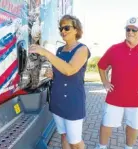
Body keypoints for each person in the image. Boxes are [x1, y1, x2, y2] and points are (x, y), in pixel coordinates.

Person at [29, 15, 91, 149]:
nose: (63, 31)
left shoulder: (82, 49)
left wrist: (45, 52)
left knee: (75, 141)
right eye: (61, 28)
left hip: (73, 102)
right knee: (63, 135)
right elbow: (60, 70)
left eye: (67, 28)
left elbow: (69, 70)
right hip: (57, 100)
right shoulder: (59, 50)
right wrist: (52, 74)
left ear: (76, 30)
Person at [95, 17, 138, 149]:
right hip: (115, 97)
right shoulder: (114, 49)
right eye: (128, 29)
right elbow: (101, 65)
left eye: (134, 29)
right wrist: (105, 82)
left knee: (133, 126)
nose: (130, 32)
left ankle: (128, 147)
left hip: (137, 98)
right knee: (106, 124)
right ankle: (101, 147)